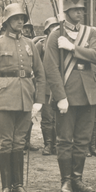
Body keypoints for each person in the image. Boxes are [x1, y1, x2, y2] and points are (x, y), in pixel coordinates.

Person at [0, 3, 45, 192]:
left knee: (20, 142)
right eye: (16, 18)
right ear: (7, 22)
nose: (20, 21)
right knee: (6, 142)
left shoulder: (30, 43)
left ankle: (19, 186)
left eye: (22, 18)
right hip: (5, 97)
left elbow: (40, 74)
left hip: (26, 97)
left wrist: (39, 100)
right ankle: (6, 187)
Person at [44, 0, 96, 192]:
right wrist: (60, 96)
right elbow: (51, 68)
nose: (79, 13)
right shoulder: (55, 35)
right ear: (66, 12)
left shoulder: (90, 32)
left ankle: (77, 178)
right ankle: (66, 180)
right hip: (67, 93)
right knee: (65, 140)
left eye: (81, 10)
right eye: (75, 9)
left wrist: (72, 48)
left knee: (82, 140)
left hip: (88, 94)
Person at [35, 16, 59, 156]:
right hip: (46, 85)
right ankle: (48, 144)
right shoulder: (41, 44)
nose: (55, 28)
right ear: (47, 29)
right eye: (53, 26)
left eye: (57, 25)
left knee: (58, 118)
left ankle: (57, 144)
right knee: (47, 117)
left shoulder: (62, 42)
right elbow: (36, 65)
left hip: (59, 85)